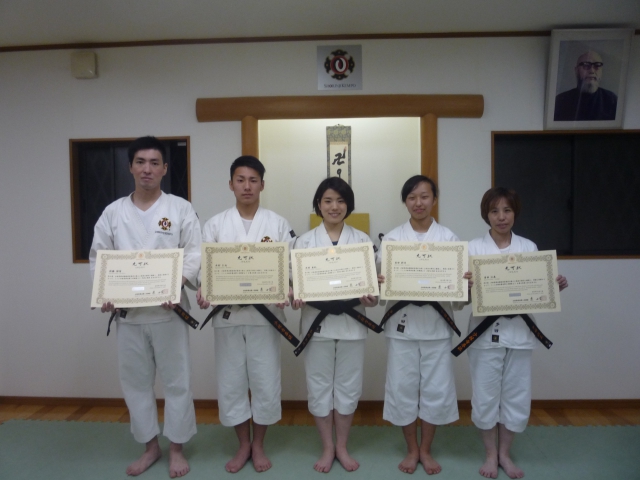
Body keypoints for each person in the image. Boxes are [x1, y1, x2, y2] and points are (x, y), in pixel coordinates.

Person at [89, 136, 201, 478]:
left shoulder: (180, 209)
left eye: (154, 163)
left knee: (177, 381)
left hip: (169, 312)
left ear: (165, 168)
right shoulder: (113, 213)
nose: (147, 169)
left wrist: (178, 282)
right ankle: (150, 447)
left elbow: (194, 253)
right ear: (130, 167)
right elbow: (99, 258)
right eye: (140, 162)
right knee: (136, 384)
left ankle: (177, 449)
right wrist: (105, 292)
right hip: (129, 316)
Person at [196, 156, 296, 473]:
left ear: (262, 185)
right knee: (231, 382)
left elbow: (289, 267)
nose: (247, 186)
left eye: (253, 180)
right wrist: (204, 287)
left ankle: (259, 444)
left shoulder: (278, 224)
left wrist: (287, 287)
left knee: (265, 381)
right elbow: (204, 269)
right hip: (228, 317)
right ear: (231, 185)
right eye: (240, 180)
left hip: (265, 318)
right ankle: (242, 444)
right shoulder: (215, 225)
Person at [463, 187, 568, 479]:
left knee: (516, 394)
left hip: (521, 332)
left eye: (507, 210)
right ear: (486, 214)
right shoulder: (473, 249)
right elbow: (463, 298)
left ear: (515, 213)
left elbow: (535, 290)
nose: (501, 217)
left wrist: (552, 287)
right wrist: (465, 287)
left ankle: (505, 454)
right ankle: (490, 454)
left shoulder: (528, 247)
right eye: (494, 211)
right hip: (484, 334)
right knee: (485, 395)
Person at [375, 175, 469, 475]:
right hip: (401, 325)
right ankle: (411, 449)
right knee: (402, 387)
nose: (419, 203)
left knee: (435, 389)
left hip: (437, 325)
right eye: (412, 197)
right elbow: (378, 287)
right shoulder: (391, 240)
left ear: (434, 200)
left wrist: (464, 284)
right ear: (405, 201)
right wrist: (378, 281)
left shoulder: (449, 240)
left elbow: (460, 292)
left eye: (425, 196)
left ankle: (425, 449)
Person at [291, 177, 378, 473]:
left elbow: (373, 294)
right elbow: (294, 286)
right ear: (318, 204)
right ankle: (327, 447)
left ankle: (342, 445)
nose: (334, 206)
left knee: (348, 387)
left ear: (348, 206)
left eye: (341, 201)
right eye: (328, 200)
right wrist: (295, 297)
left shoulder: (363, 242)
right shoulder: (303, 243)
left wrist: (371, 298)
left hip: (352, 324)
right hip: (317, 325)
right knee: (318, 386)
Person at [554, 51, 617, 121]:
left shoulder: (612, 100)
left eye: (597, 65)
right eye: (586, 65)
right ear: (576, 70)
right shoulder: (560, 101)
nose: (592, 71)